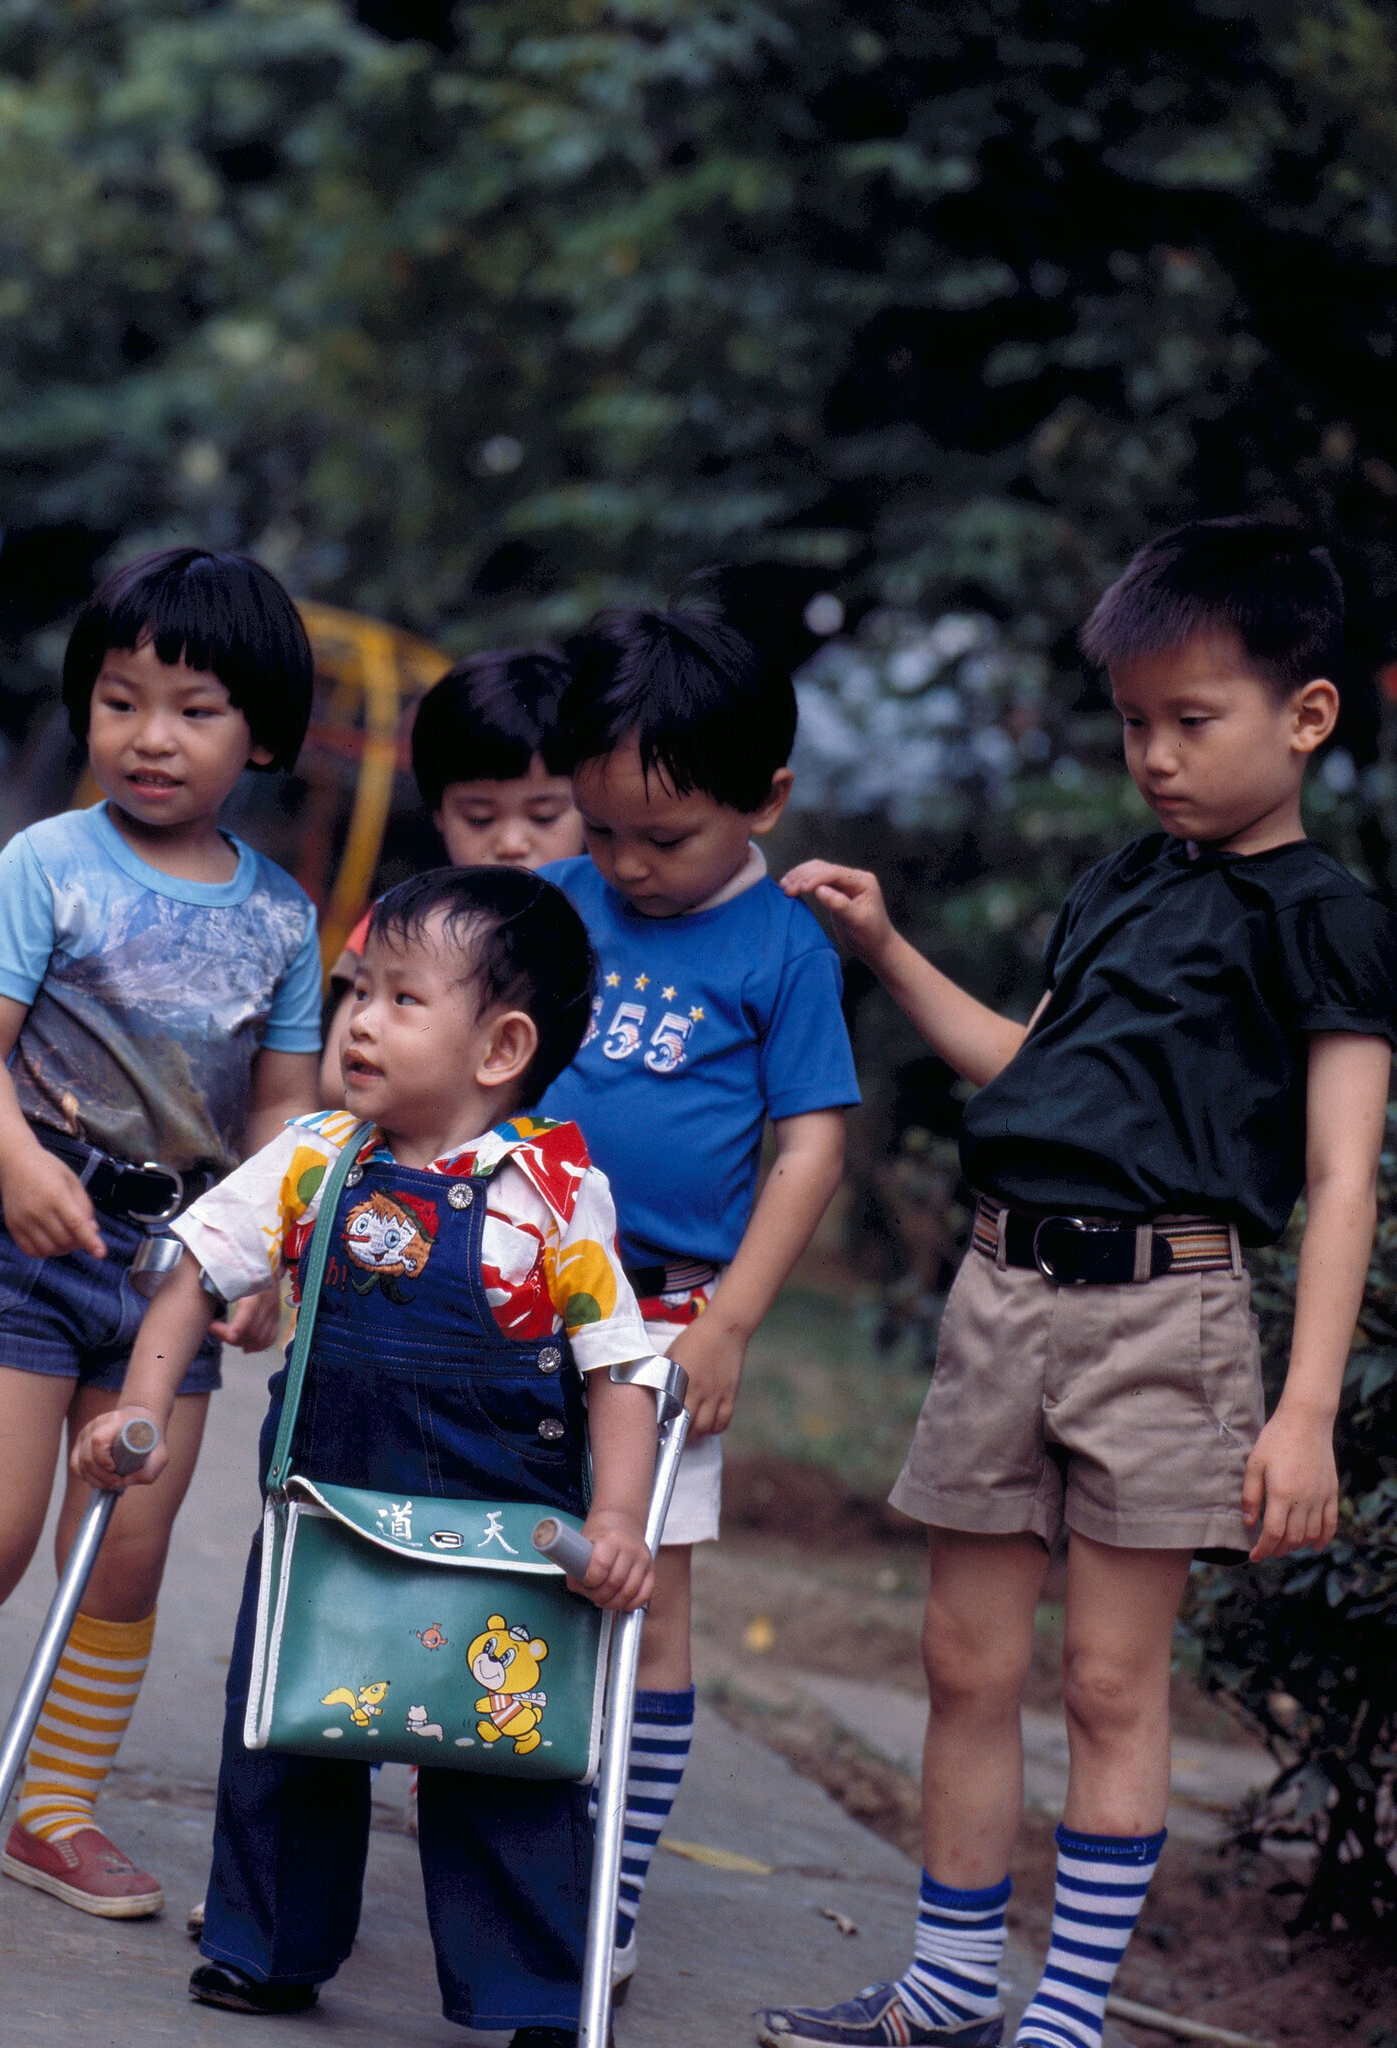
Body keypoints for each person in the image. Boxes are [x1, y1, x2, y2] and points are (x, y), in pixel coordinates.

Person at [762, 518, 1397, 2048]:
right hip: (1004, 1299)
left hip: (1168, 1319)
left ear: (1306, 715)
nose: (1155, 757)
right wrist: (885, 945)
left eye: (1193, 720)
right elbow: (1027, 1067)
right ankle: (946, 1987)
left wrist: (1306, 1412)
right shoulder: (1122, 881)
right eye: (1132, 724)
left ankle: (1069, 2016)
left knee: (1112, 1687)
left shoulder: (1327, 918)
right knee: (961, 1661)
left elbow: (1343, 1177)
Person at [0, 547, 322, 1923]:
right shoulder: (46, 862)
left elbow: (284, 1107)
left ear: (262, 732)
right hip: (23, 1241)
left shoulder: (284, 916)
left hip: (180, 1269)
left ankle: (55, 1814)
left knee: (122, 1550)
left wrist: (270, 1251)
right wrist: (19, 1159)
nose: (150, 735)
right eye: (120, 700)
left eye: (194, 709)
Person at [76, 864, 660, 2048]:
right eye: (359, 992)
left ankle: (533, 1986)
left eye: (403, 998)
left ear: (501, 1045)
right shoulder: (314, 1157)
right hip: (328, 1507)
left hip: (501, 1531)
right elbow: (194, 1269)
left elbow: (617, 1367)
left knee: (503, 1748)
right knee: (287, 1727)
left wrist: (617, 1517)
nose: (359, 1021)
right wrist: (142, 1408)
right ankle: (266, 1945)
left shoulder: (554, 1196)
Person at [535, 606, 858, 1986]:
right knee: (500, 1563)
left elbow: (811, 1148)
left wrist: (728, 1324)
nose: (627, 865)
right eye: (603, 829)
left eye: (663, 839)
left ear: (763, 800)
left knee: (646, 1603)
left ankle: (605, 1888)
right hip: (510, 1297)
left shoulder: (783, 949)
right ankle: (504, 1855)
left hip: (666, 1323)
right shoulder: (551, 903)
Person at [320, 647, 584, 1106]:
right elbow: (334, 1081)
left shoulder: (612, 917)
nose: (512, 843)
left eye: (544, 816)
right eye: (480, 818)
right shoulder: (405, 920)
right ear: (439, 814)